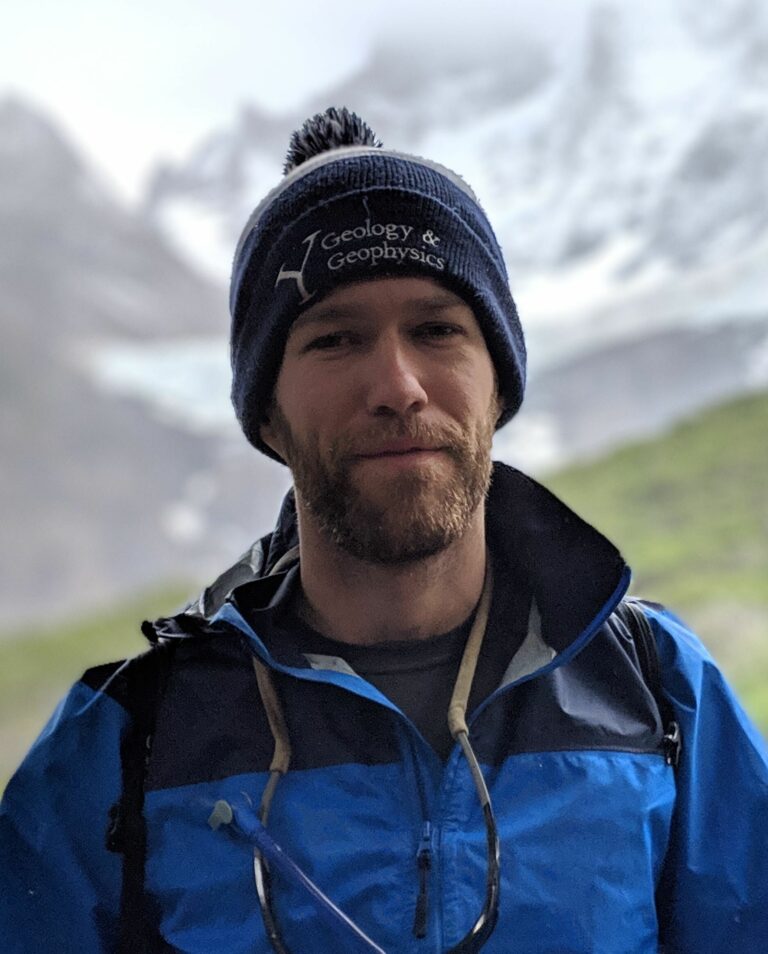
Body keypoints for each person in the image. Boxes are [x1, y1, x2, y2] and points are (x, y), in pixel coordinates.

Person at [1, 107, 767, 954]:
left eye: (437, 330)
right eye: (336, 339)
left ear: (499, 385)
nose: (398, 386)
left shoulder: (661, 692)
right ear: (266, 415)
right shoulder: (126, 740)